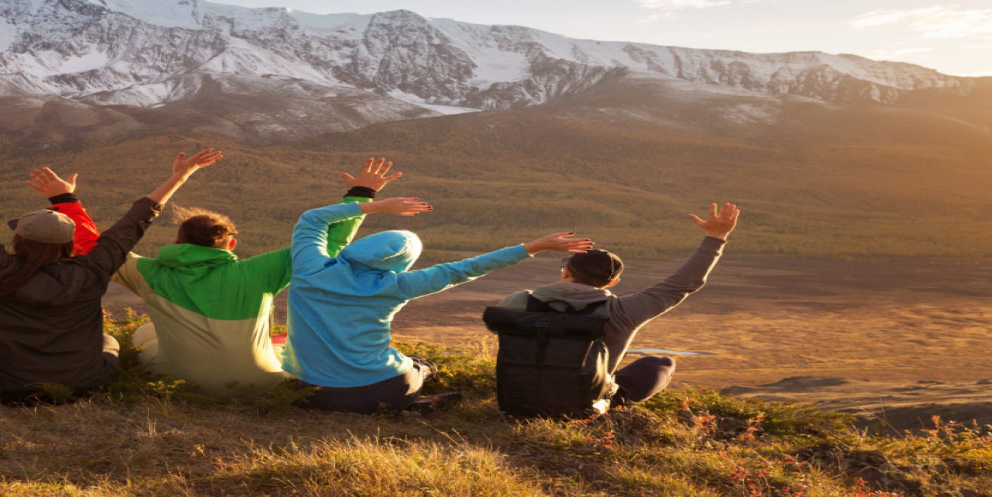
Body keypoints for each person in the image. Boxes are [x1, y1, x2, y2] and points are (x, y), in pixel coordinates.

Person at [0, 140, 223, 403]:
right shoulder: (91, 269)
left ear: (19, 239)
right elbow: (135, 222)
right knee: (109, 342)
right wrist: (178, 179)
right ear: (69, 243)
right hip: (80, 387)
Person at [79, 158, 403, 398]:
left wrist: (65, 201)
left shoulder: (147, 272)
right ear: (230, 243)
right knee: (284, 345)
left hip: (177, 381)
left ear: (178, 242)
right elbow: (329, 242)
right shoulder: (257, 273)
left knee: (143, 336)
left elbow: (102, 248)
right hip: (260, 382)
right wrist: (362, 192)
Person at [283, 197, 595, 414]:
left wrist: (379, 206)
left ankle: (405, 398)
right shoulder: (398, 285)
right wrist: (537, 245)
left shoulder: (310, 267)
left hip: (306, 391)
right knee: (417, 365)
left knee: (405, 363)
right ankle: (412, 392)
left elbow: (312, 219)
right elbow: (469, 268)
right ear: (403, 262)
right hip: (377, 387)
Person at [491, 203, 739, 413]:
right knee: (660, 364)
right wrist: (715, 238)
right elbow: (682, 284)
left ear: (566, 271)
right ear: (612, 282)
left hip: (517, 402)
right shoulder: (622, 312)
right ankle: (607, 401)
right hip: (583, 407)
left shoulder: (517, 302)